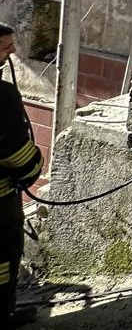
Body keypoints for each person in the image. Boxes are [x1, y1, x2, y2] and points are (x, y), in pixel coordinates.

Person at [0, 23, 42, 327]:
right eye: (5, 47)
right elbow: (16, 153)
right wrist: (34, 168)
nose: (12, 52)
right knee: (2, 260)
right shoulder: (2, 96)